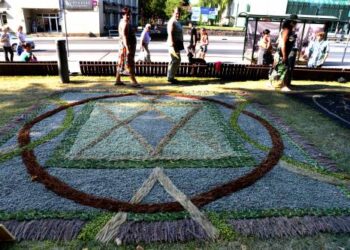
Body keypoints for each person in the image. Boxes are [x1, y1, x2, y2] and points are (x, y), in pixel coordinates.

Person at [269, 14, 298, 92]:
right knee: (281, 68)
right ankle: (281, 85)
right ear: (291, 22)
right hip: (282, 52)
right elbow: (283, 44)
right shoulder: (286, 30)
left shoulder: (289, 30)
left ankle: (272, 83)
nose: (296, 23)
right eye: (295, 22)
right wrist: (284, 55)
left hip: (284, 52)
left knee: (278, 68)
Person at [115, 7, 142, 88]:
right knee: (130, 63)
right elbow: (124, 37)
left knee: (121, 63)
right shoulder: (124, 23)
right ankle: (133, 81)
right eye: (126, 15)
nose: (128, 16)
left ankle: (118, 80)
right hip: (126, 46)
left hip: (123, 46)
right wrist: (127, 48)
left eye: (129, 14)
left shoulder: (123, 22)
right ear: (123, 15)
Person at [167, 7, 184, 84]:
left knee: (175, 60)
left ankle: (170, 77)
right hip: (173, 43)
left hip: (177, 43)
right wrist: (171, 42)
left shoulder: (177, 21)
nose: (178, 14)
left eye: (179, 13)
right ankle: (170, 78)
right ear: (173, 13)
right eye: (176, 13)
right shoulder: (172, 21)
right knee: (176, 60)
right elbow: (170, 32)